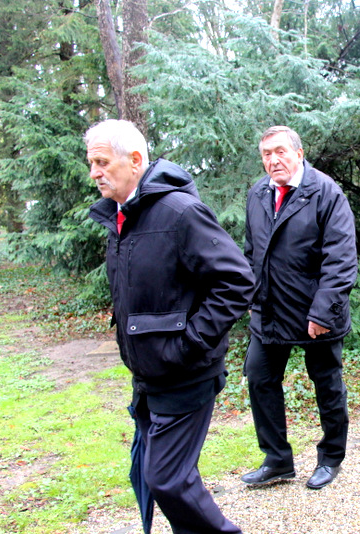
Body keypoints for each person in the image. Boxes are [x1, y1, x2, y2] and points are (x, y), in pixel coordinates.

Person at [87, 119, 254, 533]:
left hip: (186, 372)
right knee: (159, 474)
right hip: (149, 374)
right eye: (91, 163)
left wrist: (189, 343)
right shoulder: (121, 217)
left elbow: (236, 281)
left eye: (103, 162)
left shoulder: (180, 212)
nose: (94, 173)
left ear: (135, 160)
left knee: (168, 478)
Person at [241, 126, 357, 491]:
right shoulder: (258, 193)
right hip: (269, 310)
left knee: (327, 385)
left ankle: (331, 457)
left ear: (299, 153)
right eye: (266, 154)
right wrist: (251, 297)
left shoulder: (326, 193)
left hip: (315, 314)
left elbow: (340, 259)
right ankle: (277, 460)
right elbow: (251, 252)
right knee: (259, 377)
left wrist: (322, 313)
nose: (273, 160)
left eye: (280, 152)